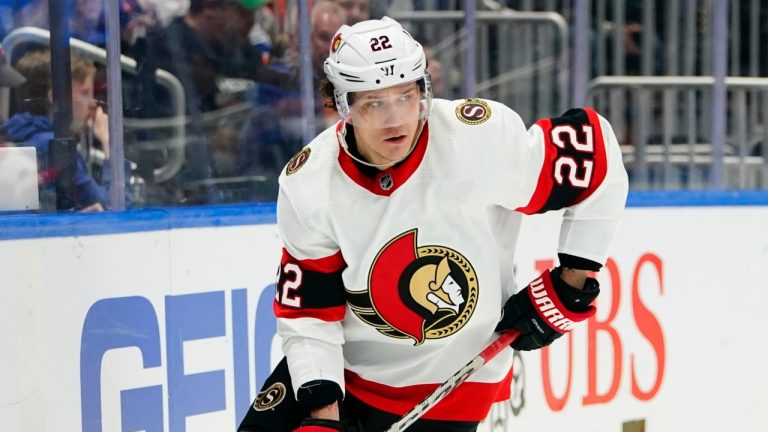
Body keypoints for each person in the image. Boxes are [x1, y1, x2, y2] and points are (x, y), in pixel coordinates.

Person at [238, 16, 628, 432]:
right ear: (340, 104)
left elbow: (598, 154)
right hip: (344, 377)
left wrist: (570, 286)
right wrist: (323, 414)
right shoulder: (310, 184)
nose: (395, 120)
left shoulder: (477, 140)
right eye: (374, 103)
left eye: (406, 96)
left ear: (424, 89)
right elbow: (310, 313)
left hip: (450, 391)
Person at [2, 49, 130, 211]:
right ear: (55, 98)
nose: (93, 103)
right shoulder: (56, 147)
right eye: (85, 92)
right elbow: (115, 207)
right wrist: (109, 143)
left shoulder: (19, 136)